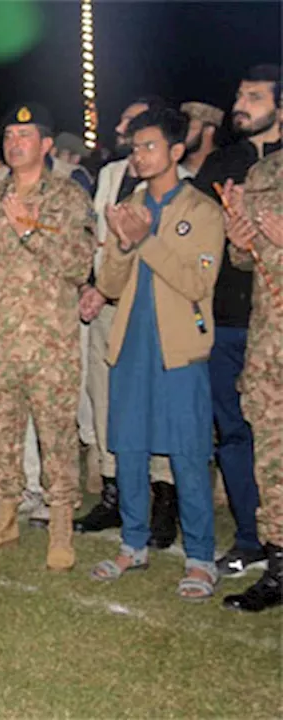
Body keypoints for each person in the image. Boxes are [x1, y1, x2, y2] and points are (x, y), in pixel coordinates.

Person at [87, 108, 225, 600]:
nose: (139, 156)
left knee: (188, 453)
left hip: (180, 349)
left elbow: (196, 283)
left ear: (175, 151)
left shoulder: (203, 211)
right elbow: (107, 284)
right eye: (135, 147)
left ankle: (201, 557)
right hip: (132, 345)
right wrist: (123, 243)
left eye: (149, 146)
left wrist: (145, 240)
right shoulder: (129, 203)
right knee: (128, 448)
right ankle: (132, 544)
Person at [0, 103, 95, 570]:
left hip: (50, 344)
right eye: (9, 136)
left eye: (25, 136)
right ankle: (5, 517)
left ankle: (61, 527)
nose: (15, 143)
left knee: (57, 437)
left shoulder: (68, 197)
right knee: (2, 436)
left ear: (46, 145)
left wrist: (30, 229)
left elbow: (79, 265)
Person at [192, 64, 282, 577]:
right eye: (239, 93)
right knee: (237, 434)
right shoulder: (222, 166)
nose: (239, 102)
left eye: (253, 95)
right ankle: (253, 538)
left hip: (276, 324)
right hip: (230, 321)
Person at [221, 145, 283, 612]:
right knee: (272, 462)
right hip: (269, 344)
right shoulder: (264, 172)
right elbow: (247, 260)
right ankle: (279, 569)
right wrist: (240, 241)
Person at [180, 102, 224, 176]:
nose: (182, 132)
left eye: (189, 128)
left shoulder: (226, 173)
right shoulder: (170, 172)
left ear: (209, 130)